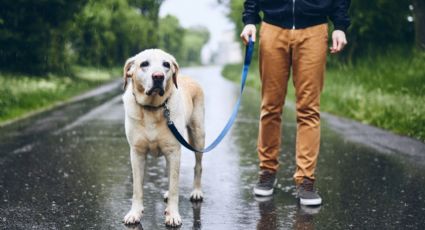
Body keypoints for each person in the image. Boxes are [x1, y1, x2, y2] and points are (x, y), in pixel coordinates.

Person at [240, 0, 350, 206]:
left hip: (314, 29)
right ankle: (267, 172)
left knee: (309, 109)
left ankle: (306, 179)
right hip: (272, 28)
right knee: (270, 107)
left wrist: (340, 25)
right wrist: (250, 19)